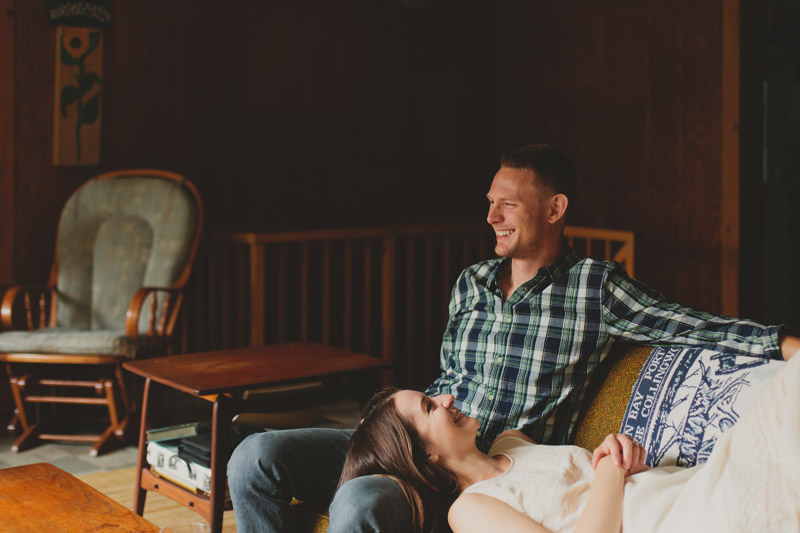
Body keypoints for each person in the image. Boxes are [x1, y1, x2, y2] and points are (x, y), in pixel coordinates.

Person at [228, 145, 800, 532]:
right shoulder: (471, 283)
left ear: (554, 210)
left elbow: (692, 323)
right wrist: (397, 430)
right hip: (426, 440)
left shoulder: (594, 287)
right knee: (254, 456)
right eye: (489, 203)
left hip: (489, 469)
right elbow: (446, 382)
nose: (492, 216)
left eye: (508, 203)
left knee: (359, 502)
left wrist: (784, 345)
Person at [341, 354, 800, 533]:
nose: (445, 397)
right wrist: (610, 471)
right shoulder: (470, 511)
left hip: (681, 485)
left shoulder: (511, 441)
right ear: (425, 455)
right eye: (428, 407)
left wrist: (619, 457)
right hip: (670, 521)